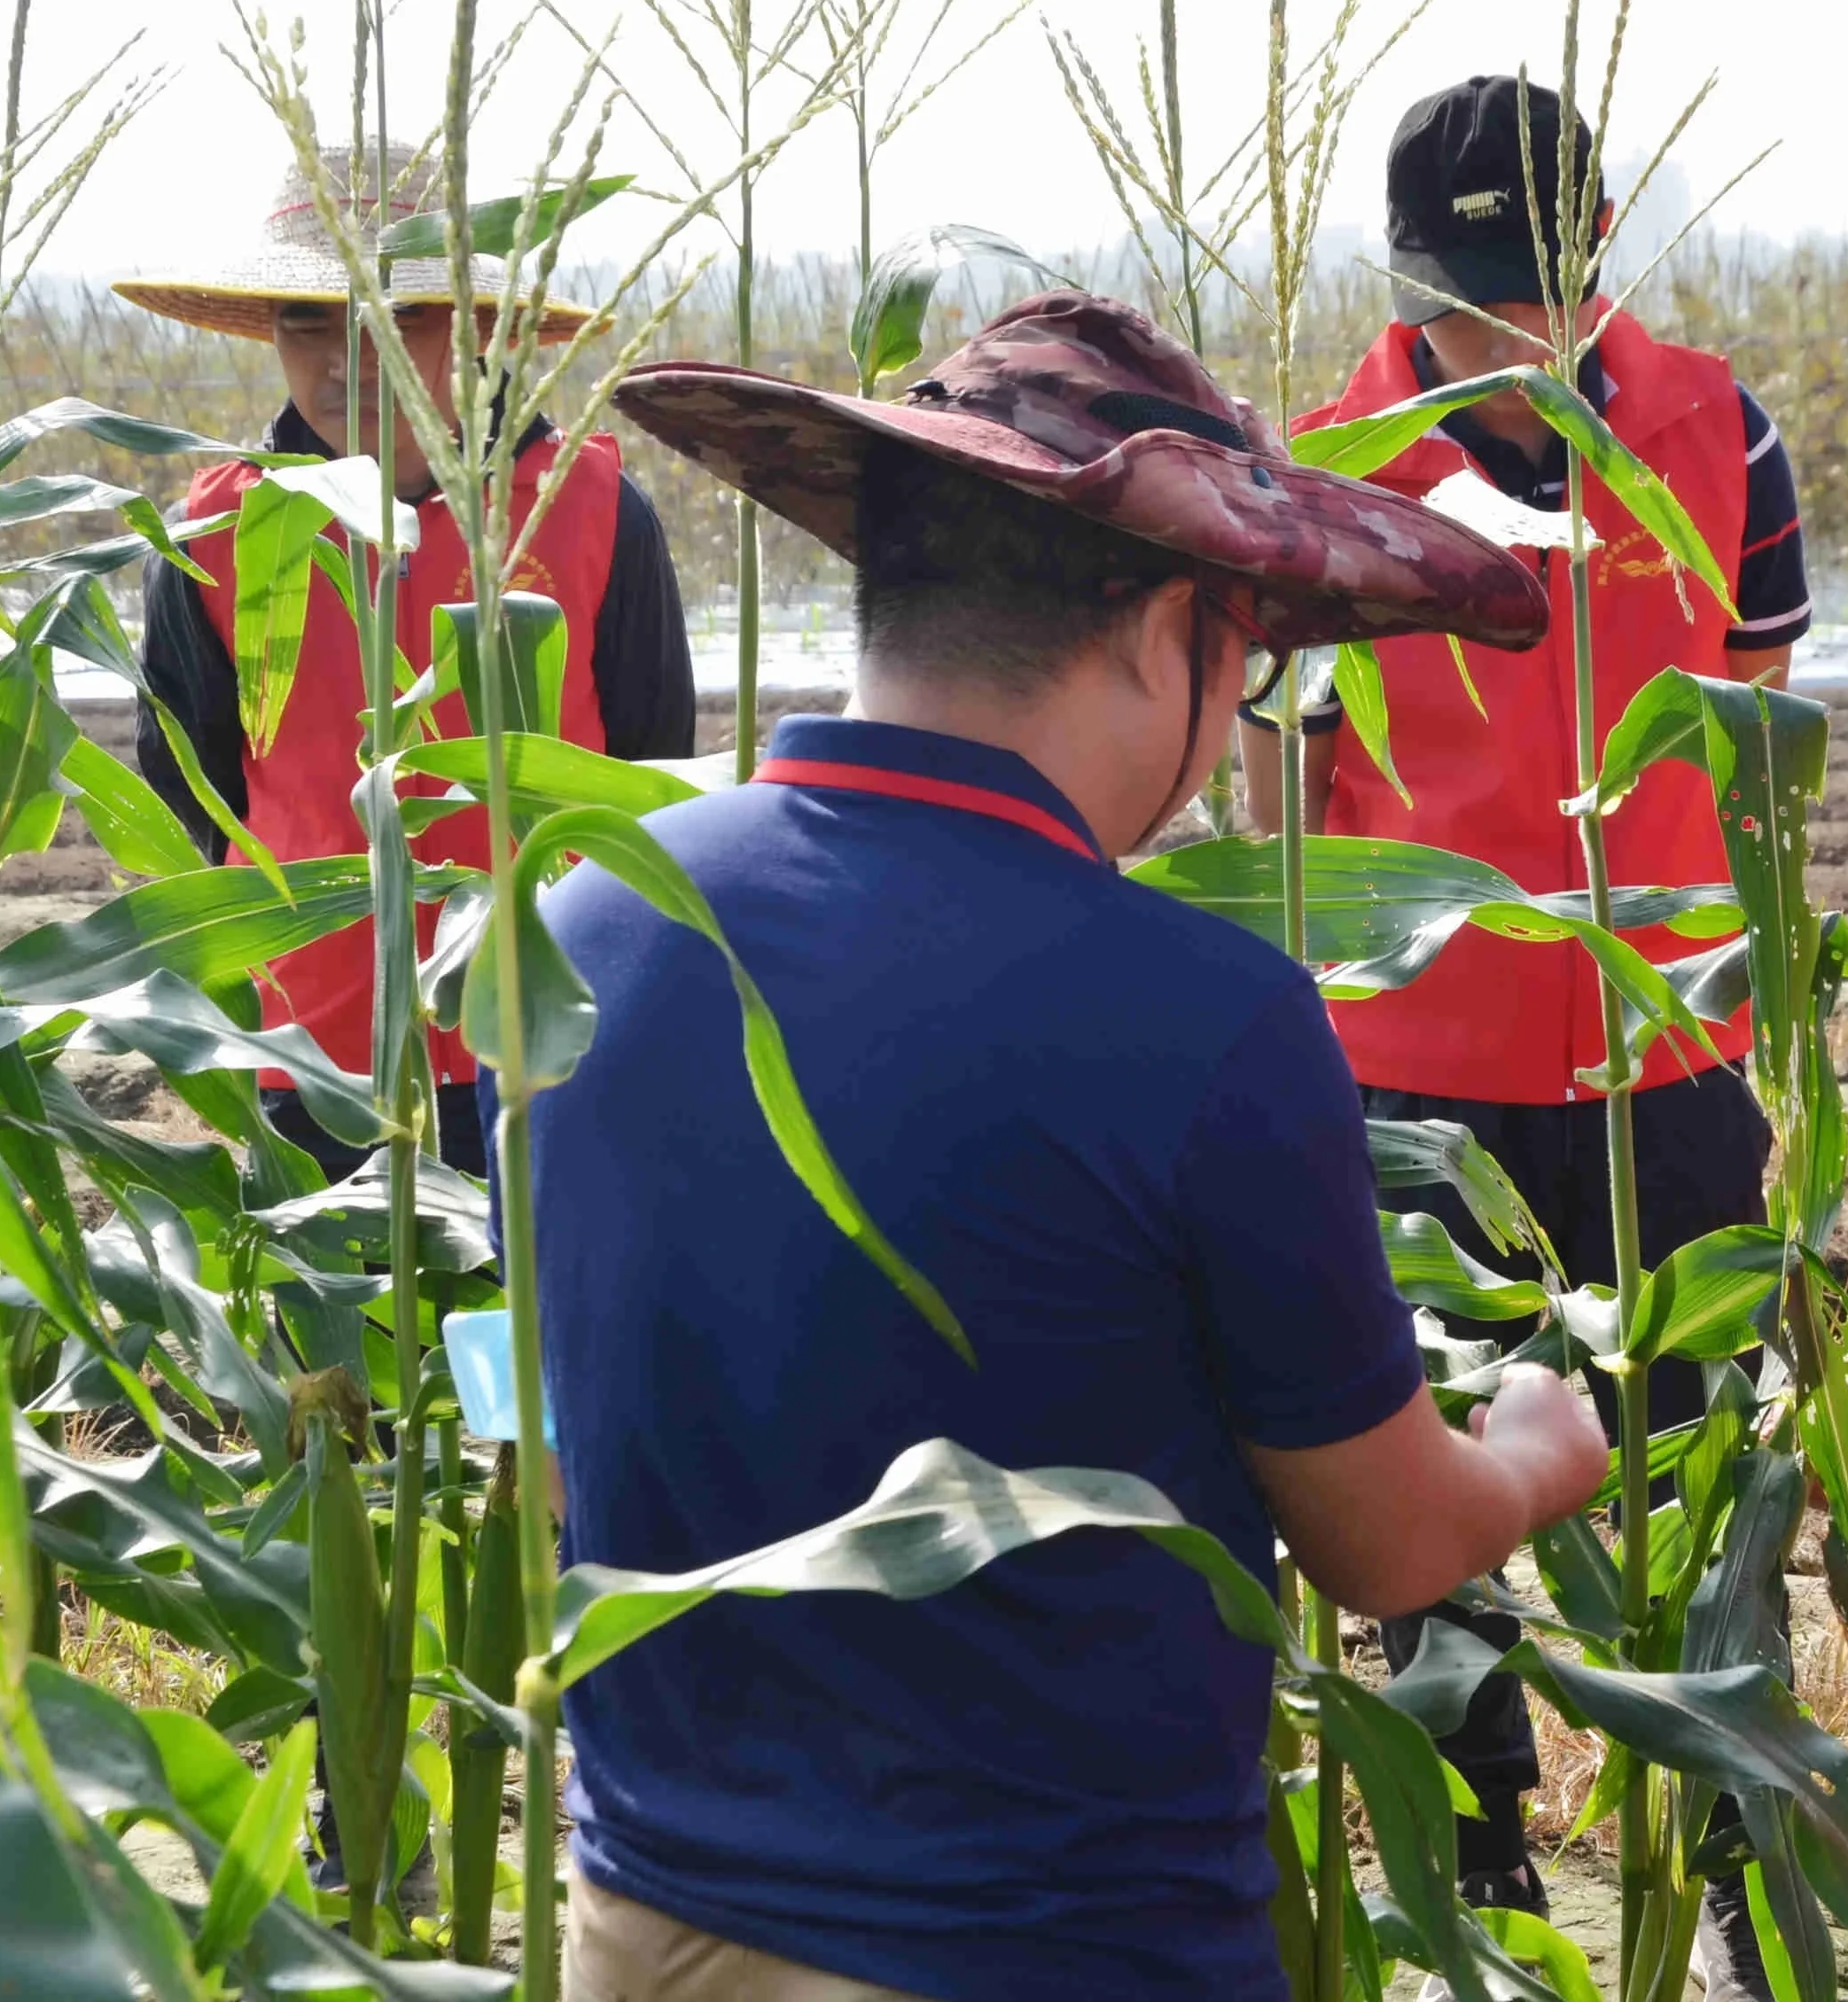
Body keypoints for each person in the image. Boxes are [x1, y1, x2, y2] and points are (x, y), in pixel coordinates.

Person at [526, 291, 1603, 2002]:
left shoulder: (588, 918)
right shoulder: (1209, 1014)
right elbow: (1389, 1544)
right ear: (1166, 622)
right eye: (1243, 645)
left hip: (641, 1914)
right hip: (1045, 1945)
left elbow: (566, 1447)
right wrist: (1542, 1451)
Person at [1242, 71, 1808, 1982]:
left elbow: (1760, 741)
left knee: (1703, 1488)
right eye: (1467, 307)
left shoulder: (1725, 428)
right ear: (1409, 286)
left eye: (1540, 296)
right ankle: (1469, 1889)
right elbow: (1279, 818)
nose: (1507, 349)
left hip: (1672, 1067)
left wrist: (1765, 1033)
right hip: (1413, 1091)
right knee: (1429, 1533)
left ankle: (1732, 1870)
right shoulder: (1325, 471)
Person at [118, 144, 694, 1181]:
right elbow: (187, 802)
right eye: (308, 318)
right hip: (308, 1061)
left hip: (547, 1040)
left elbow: (652, 778)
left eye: (401, 315)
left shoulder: (593, 509)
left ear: (479, 326)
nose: (350, 357)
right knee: (340, 1339)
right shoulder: (212, 537)